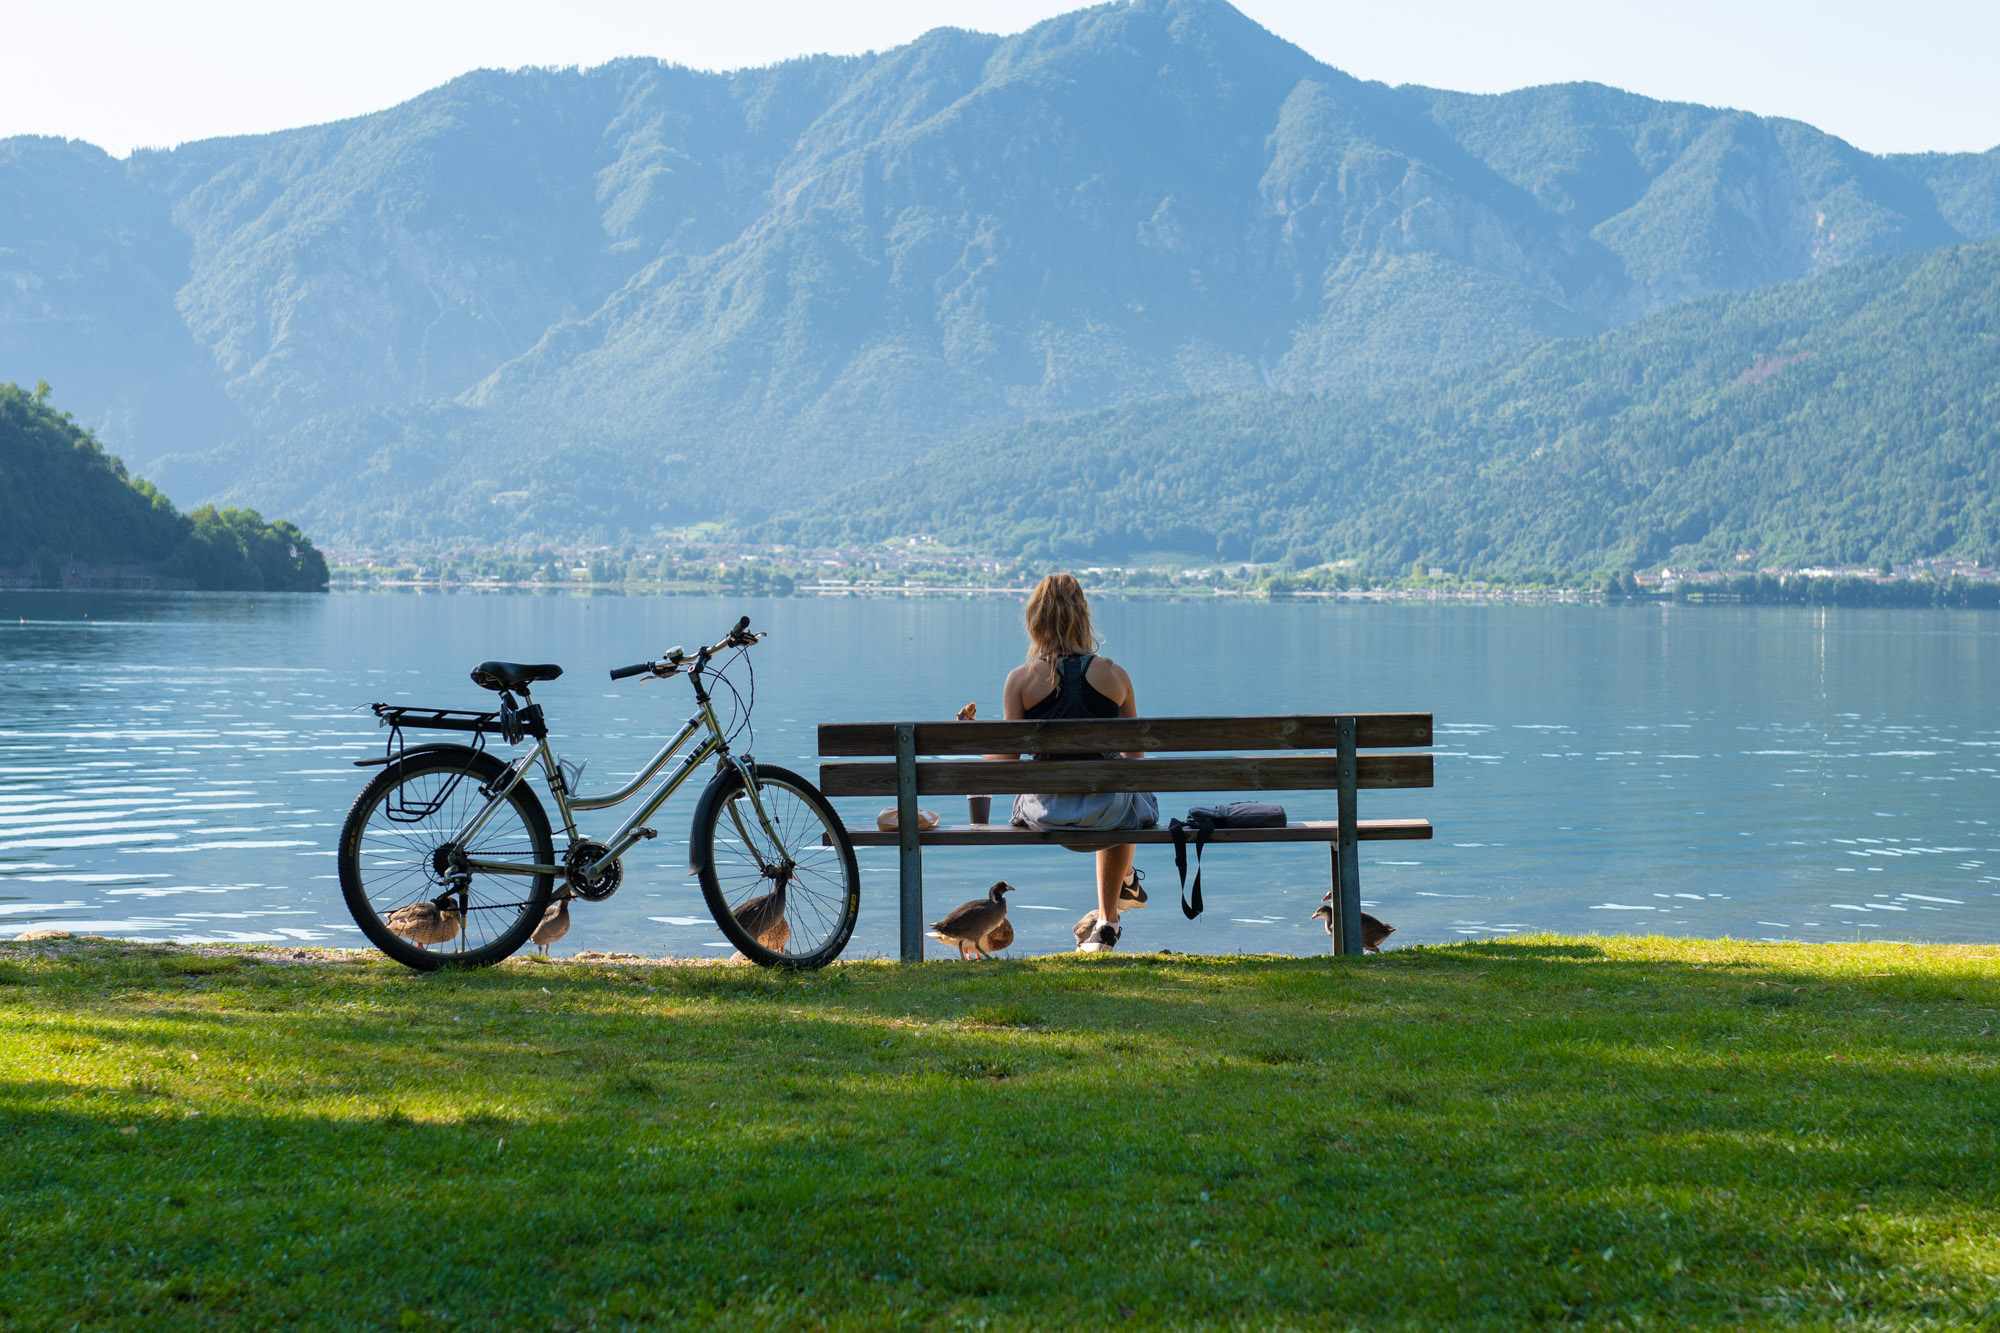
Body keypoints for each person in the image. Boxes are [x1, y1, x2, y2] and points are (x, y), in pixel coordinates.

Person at [991, 573, 1156, 951]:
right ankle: (1112, 912)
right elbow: (1136, 759)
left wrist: (968, 735)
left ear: (1035, 620)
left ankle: (1115, 906)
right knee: (1120, 788)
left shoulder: (1019, 680)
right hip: (1109, 815)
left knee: (1112, 788)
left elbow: (1002, 764)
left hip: (1046, 812)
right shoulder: (1116, 676)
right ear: (1083, 617)